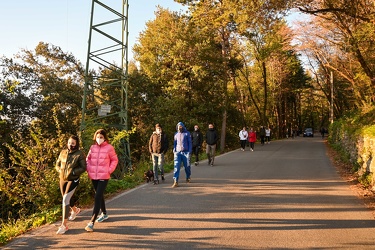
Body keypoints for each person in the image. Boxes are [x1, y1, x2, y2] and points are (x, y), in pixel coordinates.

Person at [85, 129, 118, 232]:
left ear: (105, 138)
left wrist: (109, 170)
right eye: (98, 137)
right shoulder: (92, 147)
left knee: (97, 196)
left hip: (104, 175)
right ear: (95, 137)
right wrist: (88, 168)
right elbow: (88, 159)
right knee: (99, 195)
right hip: (93, 176)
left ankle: (91, 222)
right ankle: (104, 214)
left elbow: (114, 160)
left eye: (101, 137)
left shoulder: (109, 148)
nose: (99, 139)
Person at [55, 135, 87, 235]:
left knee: (65, 199)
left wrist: (73, 173)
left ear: (76, 144)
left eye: (73, 143)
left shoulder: (80, 154)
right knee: (67, 198)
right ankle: (75, 210)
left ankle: (64, 225)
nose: (71, 145)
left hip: (73, 179)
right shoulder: (63, 152)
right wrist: (59, 170)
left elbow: (83, 167)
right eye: (69, 143)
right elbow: (57, 164)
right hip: (62, 179)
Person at [172, 122, 192, 188]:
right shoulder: (176, 134)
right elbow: (175, 143)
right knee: (176, 167)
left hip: (185, 152)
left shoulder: (187, 133)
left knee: (187, 166)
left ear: (183, 126)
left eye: (180, 126)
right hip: (178, 153)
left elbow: (190, 143)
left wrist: (189, 151)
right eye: (178, 126)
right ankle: (175, 181)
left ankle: (188, 176)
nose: (179, 127)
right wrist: (174, 149)